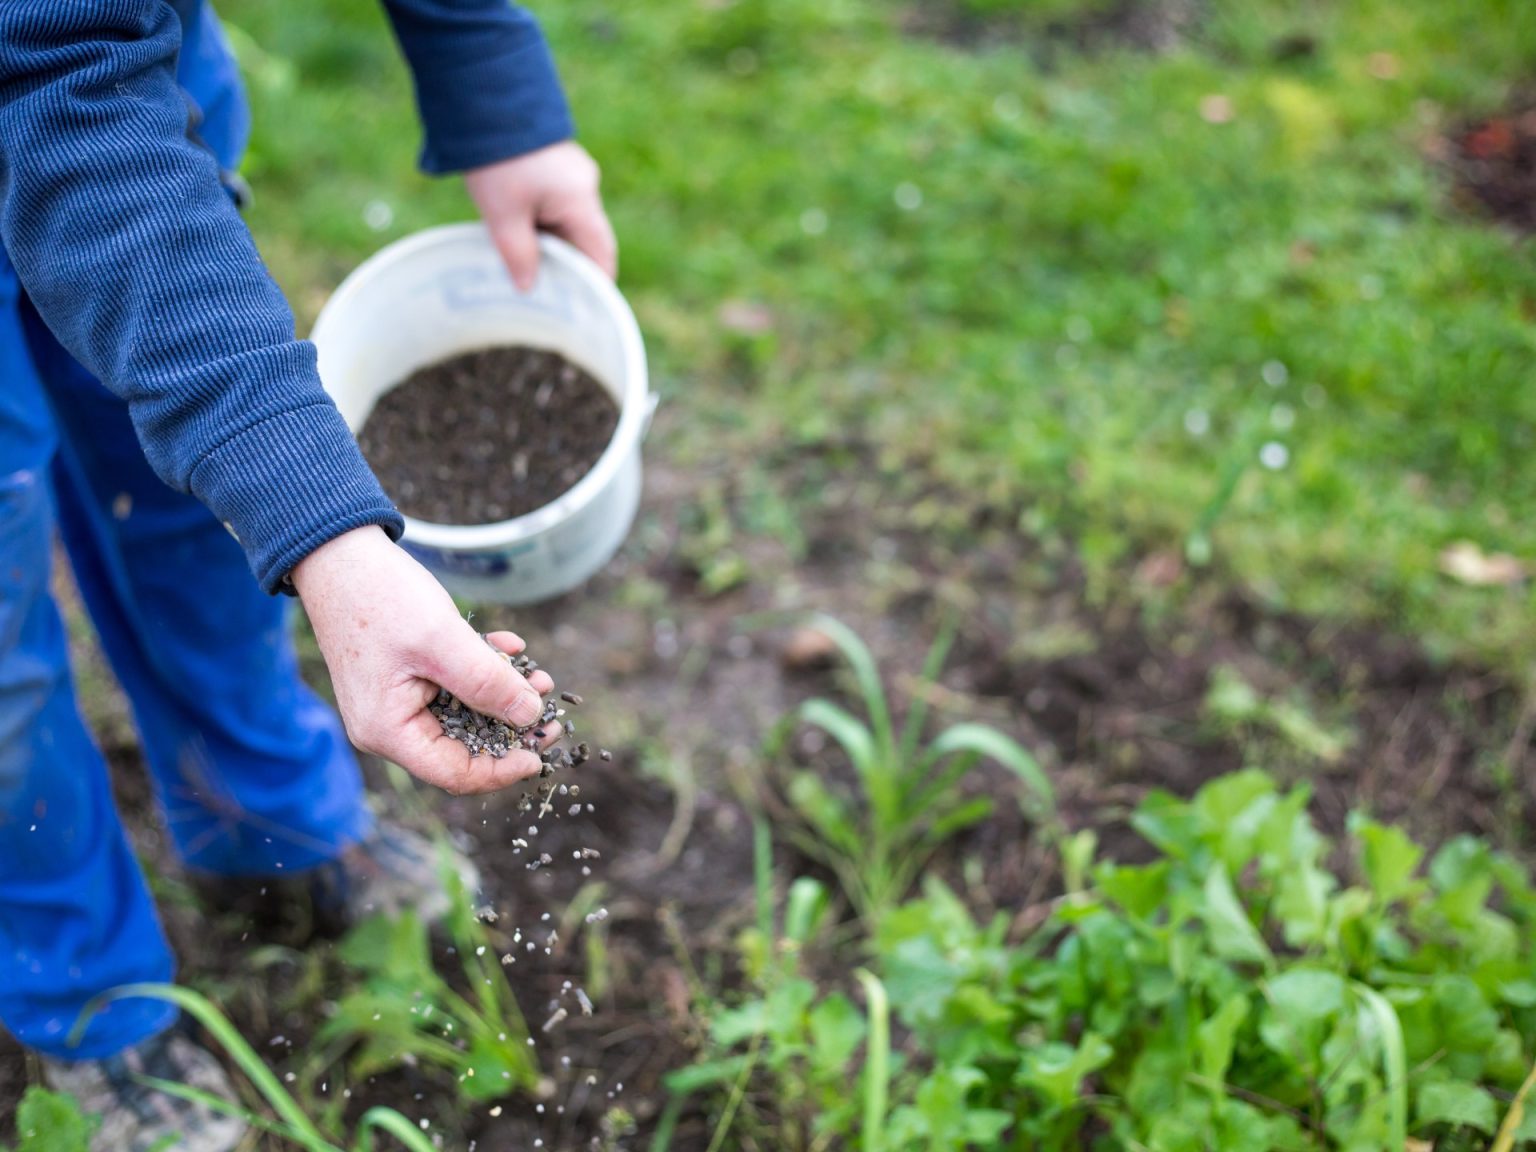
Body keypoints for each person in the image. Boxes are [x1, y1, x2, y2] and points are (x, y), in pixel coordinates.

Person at [0, 1, 616, 1147]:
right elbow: (53, 80)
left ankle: (260, 815)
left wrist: (487, 75)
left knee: (190, 501)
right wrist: (328, 535)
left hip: (131, 80)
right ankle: (83, 995)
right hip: (71, 81)